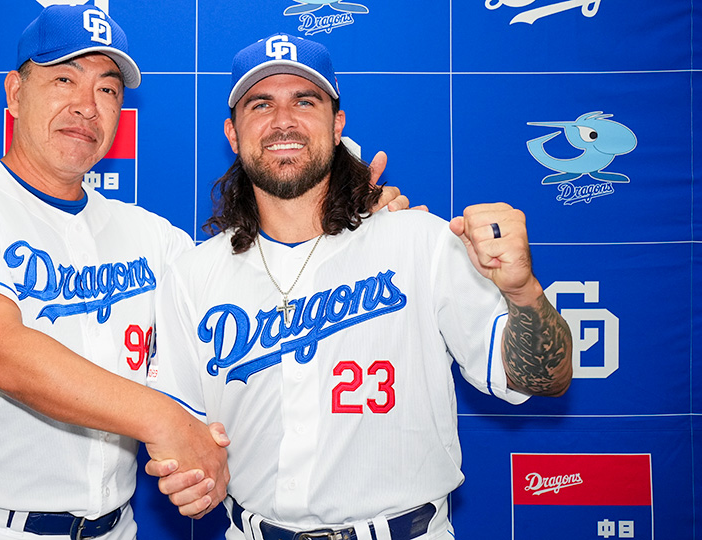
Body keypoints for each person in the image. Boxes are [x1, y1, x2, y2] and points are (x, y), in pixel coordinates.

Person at [0, 7, 404, 540]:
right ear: (16, 93)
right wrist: (166, 422)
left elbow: (261, 292)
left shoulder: (154, 237)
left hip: (115, 527)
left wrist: (352, 222)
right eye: (64, 79)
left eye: (107, 90)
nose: (86, 106)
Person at [146, 33, 573, 539]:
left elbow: (542, 379)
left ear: (337, 124)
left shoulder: (423, 242)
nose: (283, 120)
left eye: (305, 101)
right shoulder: (193, 275)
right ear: (233, 134)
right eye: (260, 104)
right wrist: (188, 475)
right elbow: (179, 429)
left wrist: (523, 294)